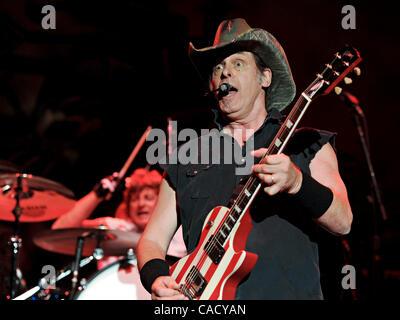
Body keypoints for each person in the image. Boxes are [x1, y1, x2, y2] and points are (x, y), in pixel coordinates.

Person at [136, 18, 353, 300]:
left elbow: (343, 221)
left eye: (238, 64)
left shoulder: (306, 143)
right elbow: (152, 240)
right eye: (217, 68)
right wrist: (158, 279)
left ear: (265, 77)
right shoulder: (185, 156)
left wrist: (297, 182)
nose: (225, 73)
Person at [52, 167, 187, 299]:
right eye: (134, 199)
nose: (141, 204)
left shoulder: (179, 234)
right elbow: (59, 230)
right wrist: (97, 195)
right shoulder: (114, 227)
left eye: (148, 197)